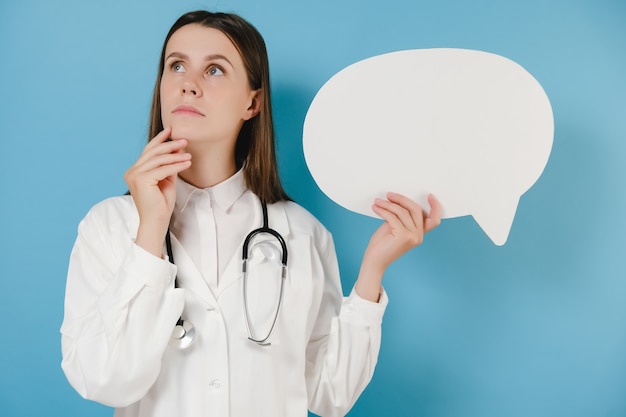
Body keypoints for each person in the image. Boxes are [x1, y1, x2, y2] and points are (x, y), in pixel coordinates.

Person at [60, 10, 441, 417]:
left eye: (215, 71)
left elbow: (330, 395)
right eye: (176, 66)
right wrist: (150, 231)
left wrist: (371, 274)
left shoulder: (302, 234)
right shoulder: (110, 227)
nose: (188, 85)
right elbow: (103, 380)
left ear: (252, 102)